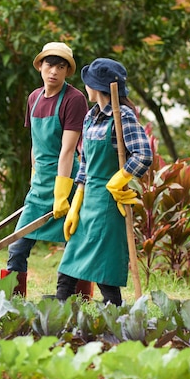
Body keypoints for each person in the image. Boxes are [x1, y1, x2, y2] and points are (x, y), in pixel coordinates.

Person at [55, 58, 153, 306]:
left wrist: (119, 179)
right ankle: (56, 318)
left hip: (109, 204)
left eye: (88, 82)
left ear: (96, 86)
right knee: (68, 266)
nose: (85, 86)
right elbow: (85, 164)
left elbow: (143, 154)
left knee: (105, 269)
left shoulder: (123, 116)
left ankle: (116, 321)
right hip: (88, 200)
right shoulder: (90, 117)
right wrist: (75, 204)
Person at [1, 42, 92, 298]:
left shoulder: (74, 100)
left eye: (61, 66)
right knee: (18, 245)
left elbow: (68, 150)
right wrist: (33, 178)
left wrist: (62, 194)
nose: (54, 71)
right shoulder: (34, 98)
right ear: (40, 66)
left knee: (74, 244)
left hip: (65, 180)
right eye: (50, 64)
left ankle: (72, 298)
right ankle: (14, 299)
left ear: (67, 71)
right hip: (39, 184)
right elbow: (35, 144)